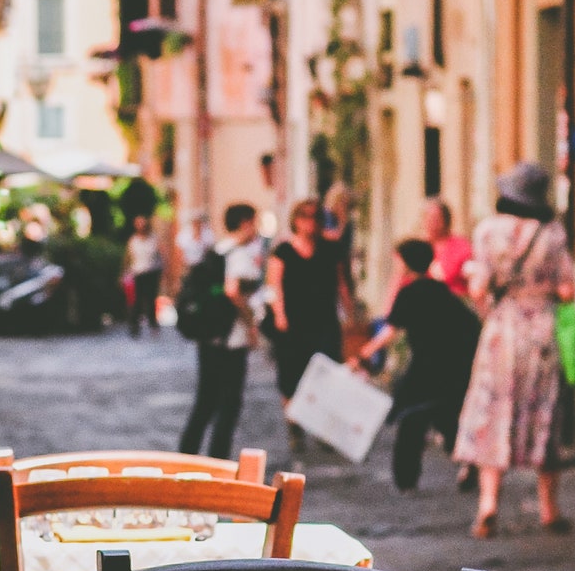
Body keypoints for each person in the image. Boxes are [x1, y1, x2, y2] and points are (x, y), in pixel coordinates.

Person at [452, 161, 575, 537]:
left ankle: (488, 505)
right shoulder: (552, 233)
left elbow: (478, 289)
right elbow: (568, 288)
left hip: (502, 331)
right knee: (545, 412)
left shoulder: (488, 231)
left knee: (494, 410)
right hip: (540, 332)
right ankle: (550, 509)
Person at [360, 237, 480, 490]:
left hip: (425, 367)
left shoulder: (408, 293)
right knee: (448, 420)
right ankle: (469, 462)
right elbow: (469, 324)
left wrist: (365, 353)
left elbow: (390, 331)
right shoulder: (441, 289)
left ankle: (406, 478)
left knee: (411, 420)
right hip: (451, 365)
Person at [177, 201, 264, 459]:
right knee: (229, 403)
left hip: (209, 336)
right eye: (254, 222)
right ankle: (218, 458)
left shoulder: (216, 250)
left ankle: (187, 454)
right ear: (245, 223)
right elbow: (233, 290)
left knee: (205, 400)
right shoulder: (238, 254)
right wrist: (250, 323)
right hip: (231, 339)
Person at [265, 195, 354, 413]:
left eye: (315, 217)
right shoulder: (283, 251)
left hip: (324, 320)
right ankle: (293, 421)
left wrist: (350, 315)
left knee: (326, 373)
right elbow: (274, 286)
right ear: (296, 220)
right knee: (291, 374)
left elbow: (342, 284)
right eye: (305, 217)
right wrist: (279, 314)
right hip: (293, 322)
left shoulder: (331, 249)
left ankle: (320, 420)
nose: (310, 222)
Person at [420, 198, 473, 300]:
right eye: (427, 218)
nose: (431, 222)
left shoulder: (461, 246)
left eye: (435, 218)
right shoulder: (418, 248)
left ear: (446, 219)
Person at [124, 213, 162, 336]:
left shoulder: (153, 239)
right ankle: (134, 326)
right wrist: (125, 273)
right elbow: (128, 258)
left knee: (151, 299)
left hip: (151, 272)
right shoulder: (133, 240)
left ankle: (153, 324)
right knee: (136, 300)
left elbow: (160, 255)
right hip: (138, 272)